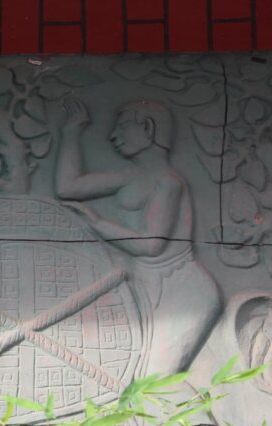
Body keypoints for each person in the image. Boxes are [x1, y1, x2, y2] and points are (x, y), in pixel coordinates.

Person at [56, 98, 220, 376]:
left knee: (152, 380)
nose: (113, 135)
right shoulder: (130, 176)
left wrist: (98, 223)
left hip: (182, 290)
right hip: (146, 286)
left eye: (122, 127)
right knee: (132, 379)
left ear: (147, 128)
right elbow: (67, 188)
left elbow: (151, 245)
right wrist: (71, 132)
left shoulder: (168, 182)